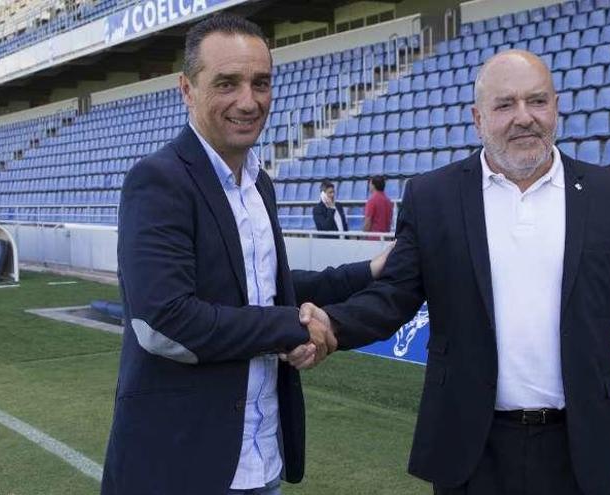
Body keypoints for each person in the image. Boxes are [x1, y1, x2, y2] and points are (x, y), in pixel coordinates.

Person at [300, 50, 610, 495]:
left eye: (537, 101)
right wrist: (333, 324)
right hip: (470, 451)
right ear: (478, 119)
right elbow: (394, 296)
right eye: (504, 105)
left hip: (585, 450)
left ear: (556, 106)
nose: (524, 118)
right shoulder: (432, 197)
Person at [101, 13, 392, 495]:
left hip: (261, 459)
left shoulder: (259, 184)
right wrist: (294, 327)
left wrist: (369, 270)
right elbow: (165, 320)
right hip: (180, 467)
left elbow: (266, 288)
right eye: (227, 83)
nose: (248, 101)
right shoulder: (159, 180)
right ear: (187, 89)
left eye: (261, 83)